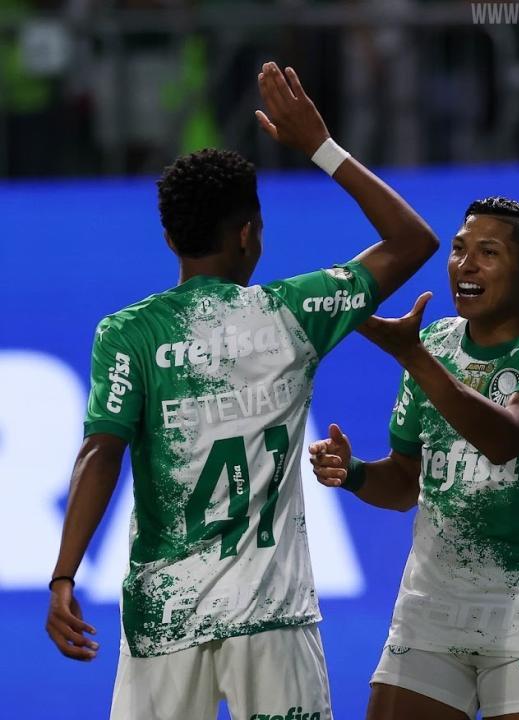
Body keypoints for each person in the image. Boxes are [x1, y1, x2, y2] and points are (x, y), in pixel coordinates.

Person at [45, 61, 438, 720]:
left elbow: (100, 453)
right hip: (272, 619)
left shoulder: (128, 334)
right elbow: (413, 240)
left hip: (164, 621)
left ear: (169, 237)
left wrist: (64, 575)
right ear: (250, 233)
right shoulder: (294, 313)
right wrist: (321, 146)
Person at [310, 197, 519, 720]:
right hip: (430, 612)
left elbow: (506, 437)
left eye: (488, 253)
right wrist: (353, 473)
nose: (466, 265)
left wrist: (413, 356)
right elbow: (405, 483)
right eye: (459, 249)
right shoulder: (436, 344)